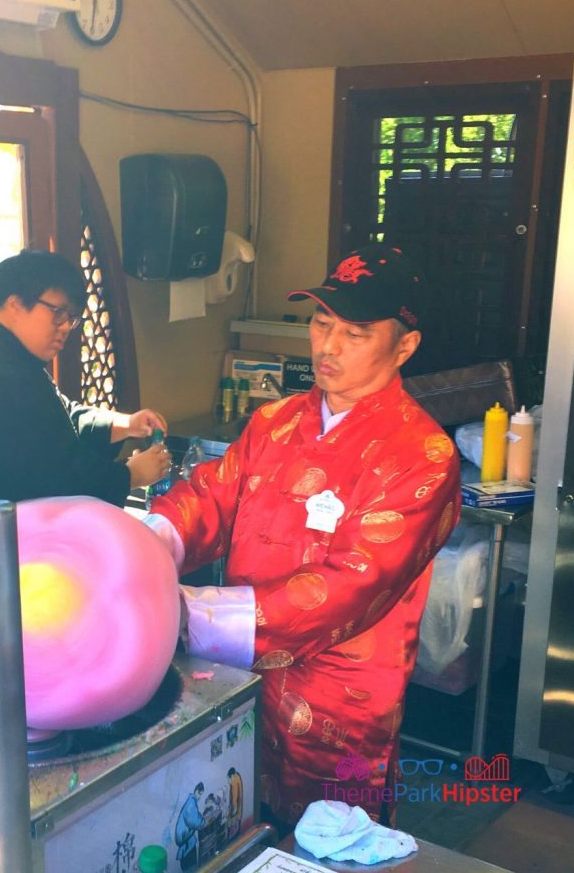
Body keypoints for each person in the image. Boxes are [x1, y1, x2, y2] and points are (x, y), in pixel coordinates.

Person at [146, 243, 461, 829]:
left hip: (337, 705)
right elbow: (213, 495)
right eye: (321, 322)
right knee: (229, 820)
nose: (328, 346)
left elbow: (353, 585)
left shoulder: (424, 457)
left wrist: (191, 615)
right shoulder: (275, 421)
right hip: (237, 684)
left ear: (405, 345)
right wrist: (147, 544)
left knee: (327, 844)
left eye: (357, 332)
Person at [0, 249, 171, 558]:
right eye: (58, 313)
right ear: (15, 303)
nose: (65, 329)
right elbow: (54, 481)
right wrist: (131, 475)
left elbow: (56, 417)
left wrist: (123, 424)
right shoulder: (1, 379)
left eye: (71, 319)